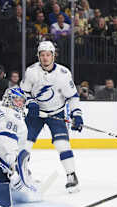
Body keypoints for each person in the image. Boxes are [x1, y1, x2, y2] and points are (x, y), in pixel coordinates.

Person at [20, 41, 83, 193]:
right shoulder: (31, 71)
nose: (45, 58)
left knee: (62, 144)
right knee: (24, 143)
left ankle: (71, 175)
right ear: (38, 56)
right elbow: (23, 92)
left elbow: (73, 96)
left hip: (56, 113)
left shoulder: (63, 74)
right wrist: (31, 103)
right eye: (42, 55)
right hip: (36, 113)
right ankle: (22, 174)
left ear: (54, 56)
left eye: (48, 55)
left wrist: (77, 114)